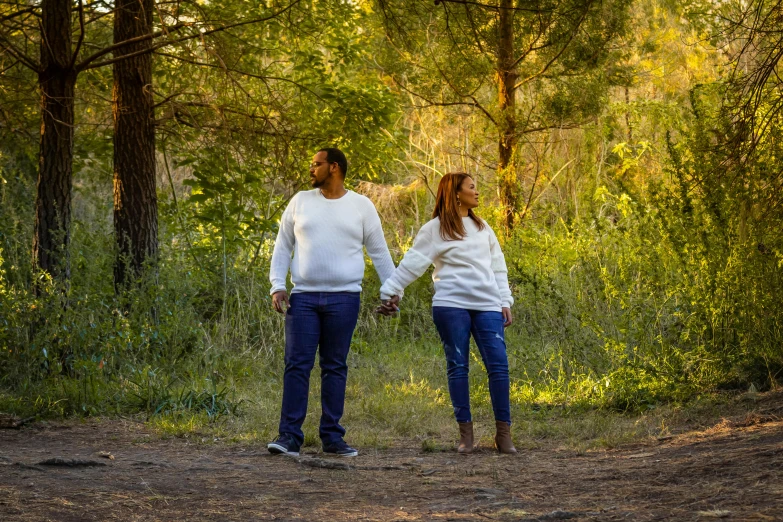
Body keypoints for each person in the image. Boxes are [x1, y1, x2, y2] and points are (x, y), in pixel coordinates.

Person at [267, 147, 396, 457]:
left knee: (334, 366)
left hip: (345, 298)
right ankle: (289, 437)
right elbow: (283, 246)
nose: (312, 169)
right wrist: (277, 285)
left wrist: (393, 289)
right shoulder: (299, 202)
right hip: (304, 298)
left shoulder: (361, 206)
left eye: (317, 164)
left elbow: (378, 251)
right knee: (297, 365)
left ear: (334, 167)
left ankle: (332, 437)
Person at [377, 172, 517, 454]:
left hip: (487, 305)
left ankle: (504, 434)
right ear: (455, 194)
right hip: (451, 305)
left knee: (499, 367)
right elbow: (413, 264)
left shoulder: (483, 227)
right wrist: (391, 291)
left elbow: (498, 266)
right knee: (458, 366)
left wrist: (505, 299)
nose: (477, 192)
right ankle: (466, 435)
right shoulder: (435, 229)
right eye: (472, 188)